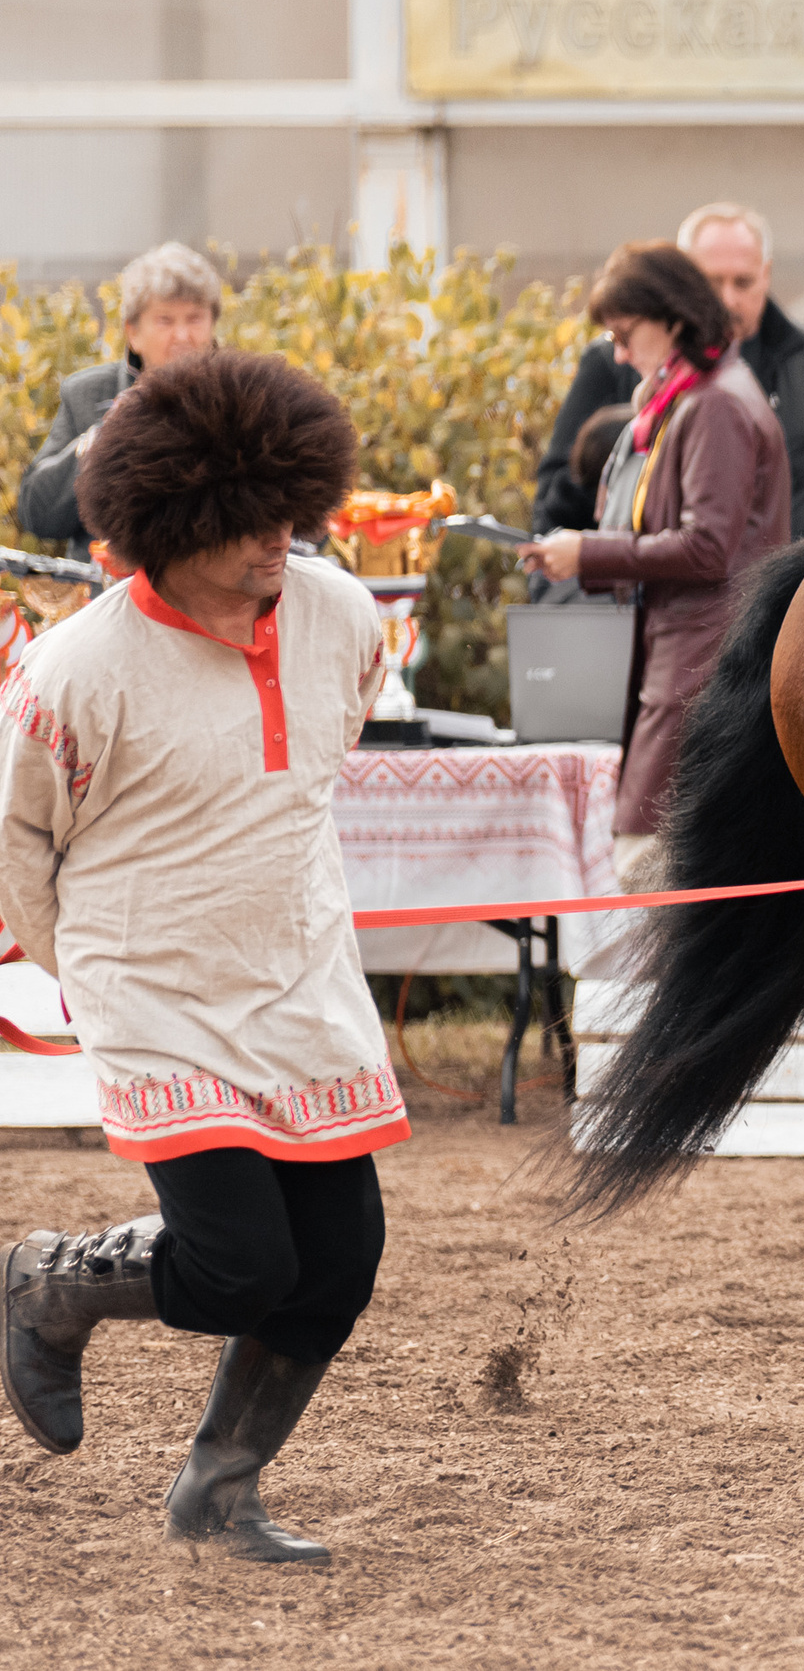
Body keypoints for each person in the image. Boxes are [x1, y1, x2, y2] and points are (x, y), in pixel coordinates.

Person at [0, 350, 404, 1564]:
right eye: (246, 521)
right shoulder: (77, 669)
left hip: (301, 981)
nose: (278, 538)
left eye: (290, 511)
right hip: (155, 992)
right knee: (238, 1264)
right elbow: (20, 835)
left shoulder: (343, 615)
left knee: (336, 1264)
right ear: (171, 526)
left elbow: (316, 762)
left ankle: (220, 1490)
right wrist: (87, 972)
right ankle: (54, 1281)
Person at [518, 242, 789, 884]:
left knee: (652, 865)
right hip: (701, 653)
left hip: (702, 657)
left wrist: (587, 551)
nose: (616, 353)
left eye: (623, 333)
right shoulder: (706, 395)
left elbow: (705, 547)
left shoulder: (714, 403)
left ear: (671, 321)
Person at [528, 202, 804, 554]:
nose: (728, 299)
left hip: (783, 587)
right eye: (712, 281)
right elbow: (557, 496)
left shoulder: (801, 355)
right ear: (683, 283)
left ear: (767, 274)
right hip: (650, 592)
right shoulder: (615, 360)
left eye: (742, 282)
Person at [15, 242, 223, 560]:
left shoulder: (251, 396)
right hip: (110, 594)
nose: (182, 336)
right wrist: (101, 438)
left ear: (212, 323)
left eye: (194, 319)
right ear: (133, 333)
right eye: (165, 321)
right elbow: (38, 517)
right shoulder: (87, 394)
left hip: (215, 599)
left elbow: (305, 526)